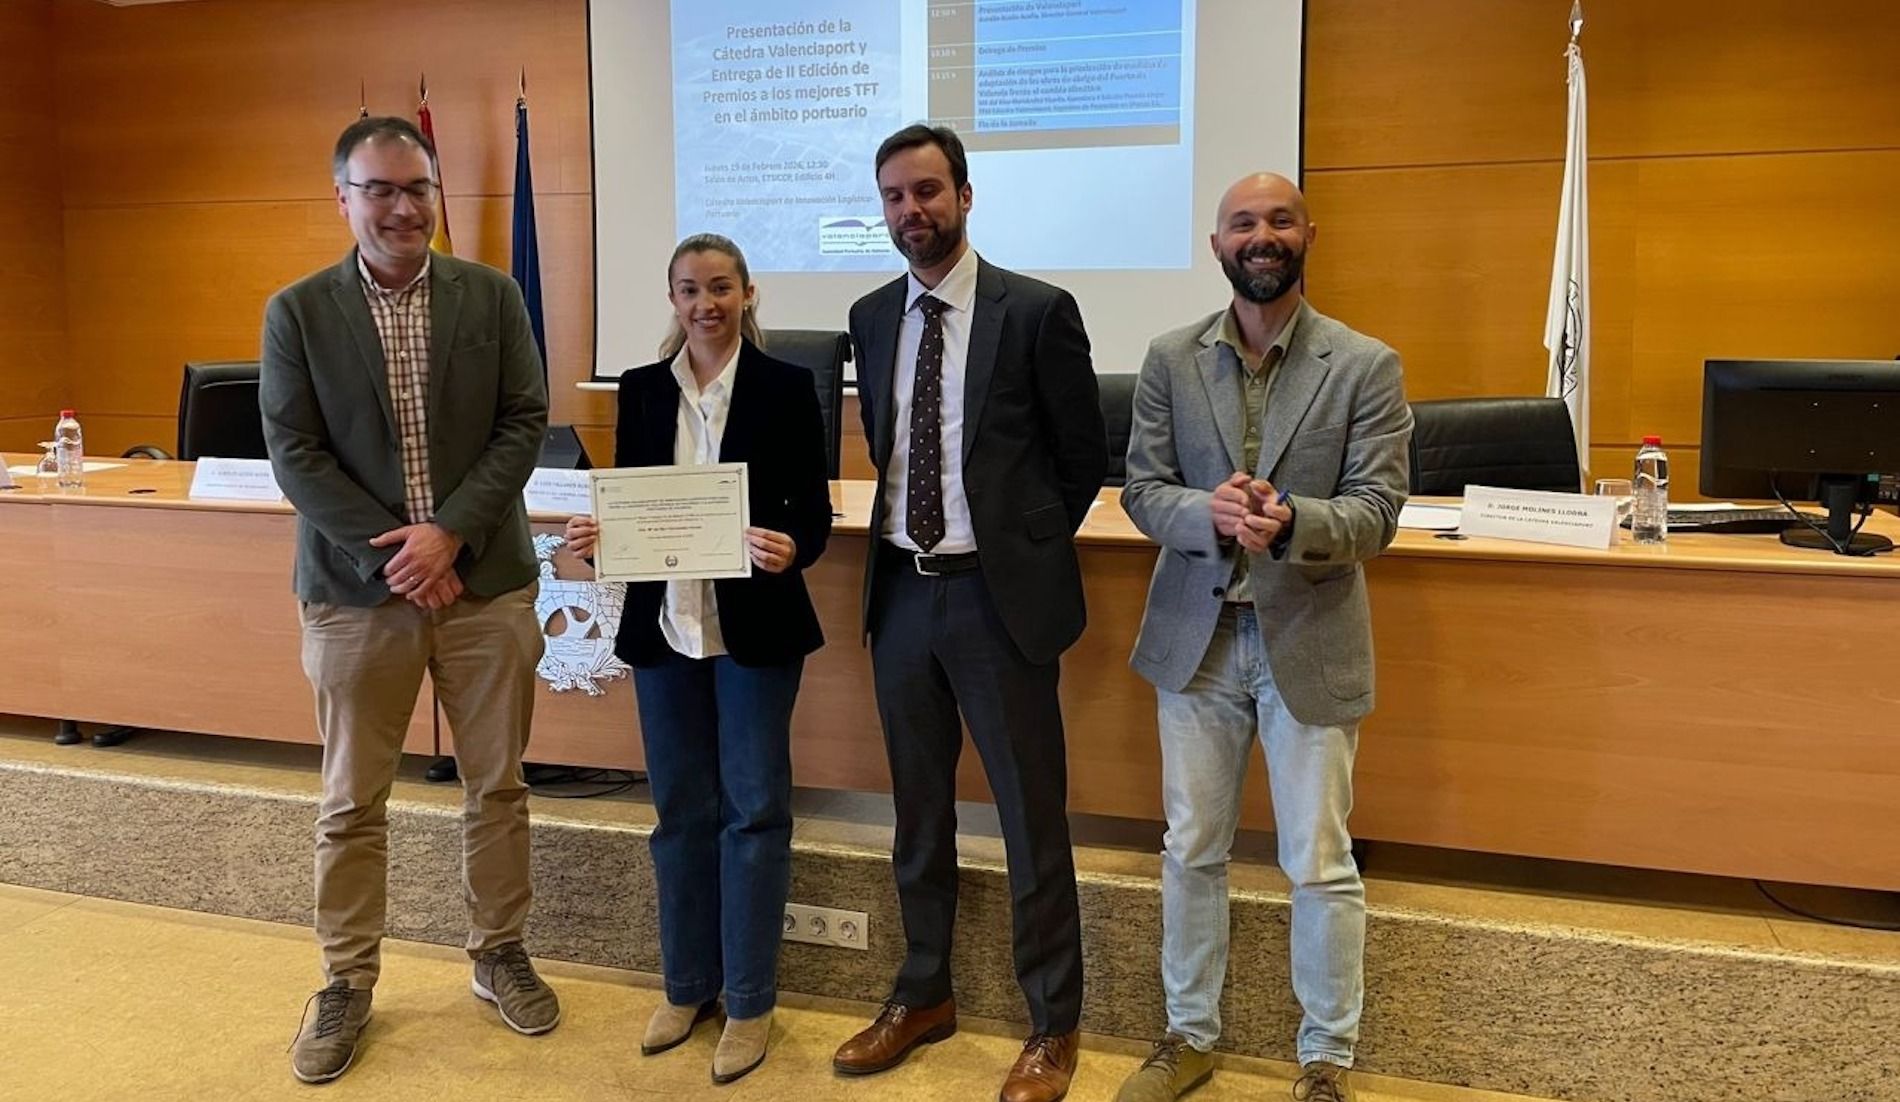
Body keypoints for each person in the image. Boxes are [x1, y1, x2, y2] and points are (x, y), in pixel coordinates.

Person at [261, 116, 557, 1085]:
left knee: (499, 786)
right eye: (379, 188)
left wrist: (450, 535)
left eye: (417, 187)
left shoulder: (493, 293)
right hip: (357, 594)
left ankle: (498, 951)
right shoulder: (297, 311)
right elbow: (294, 453)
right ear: (341, 197)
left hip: (486, 584)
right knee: (352, 801)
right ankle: (346, 979)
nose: (401, 206)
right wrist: (398, 554)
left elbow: (524, 421)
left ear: (437, 193)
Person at [1115, 173, 1412, 1102]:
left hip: (1308, 637)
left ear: (1308, 235)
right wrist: (1209, 512)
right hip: (1196, 643)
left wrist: (1290, 524)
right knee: (1192, 848)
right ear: (1216, 245)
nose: (1262, 235)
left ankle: (1326, 1059)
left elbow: (1380, 511)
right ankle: (1188, 1038)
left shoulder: (1365, 364)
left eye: (1279, 219)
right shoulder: (1169, 358)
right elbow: (1141, 489)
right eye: (1243, 222)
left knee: (1318, 863)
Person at [830, 124, 1107, 1102]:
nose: (913, 210)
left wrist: (1017, 553)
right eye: (896, 196)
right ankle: (922, 993)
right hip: (902, 593)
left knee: (1032, 817)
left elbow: (1080, 459)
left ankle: (1051, 1025)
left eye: (929, 191)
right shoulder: (868, 315)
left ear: (965, 194)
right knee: (916, 810)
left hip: (1000, 605)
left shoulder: (1035, 311)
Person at [564, 233, 832, 1084]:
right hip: (665, 631)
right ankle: (686, 988)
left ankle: (749, 1001)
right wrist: (599, 539)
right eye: (689, 290)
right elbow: (634, 506)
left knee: (753, 812)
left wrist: (796, 547)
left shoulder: (787, 386)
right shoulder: (641, 391)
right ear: (671, 299)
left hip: (755, 628)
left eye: (721, 288)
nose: (705, 304)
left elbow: (813, 513)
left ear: (748, 293)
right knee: (680, 812)